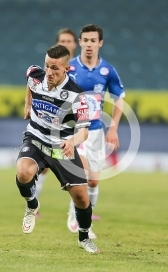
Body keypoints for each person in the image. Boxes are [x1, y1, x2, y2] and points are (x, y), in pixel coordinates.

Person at [15, 44, 100, 254]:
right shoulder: (35, 76)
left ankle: (84, 236)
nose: (49, 72)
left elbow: (84, 131)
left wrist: (73, 141)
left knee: (81, 196)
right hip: (35, 137)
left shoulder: (77, 96)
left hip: (62, 146)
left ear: (66, 69)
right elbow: (29, 80)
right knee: (23, 172)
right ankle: (32, 205)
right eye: (47, 66)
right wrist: (27, 103)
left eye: (55, 68)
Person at [66, 24, 125, 239]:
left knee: (93, 181)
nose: (89, 44)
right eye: (85, 40)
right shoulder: (69, 67)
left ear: (100, 43)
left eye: (93, 41)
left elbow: (120, 98)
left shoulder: (107, 70)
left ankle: (85, 221)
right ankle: (75, 216)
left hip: (97, 131)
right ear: (79, 42)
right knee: (80, 175)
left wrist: (114, 128)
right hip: (75, 130)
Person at [35, 28, 78, 207]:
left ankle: (77, 213)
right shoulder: (53, 68)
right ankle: (33, 204)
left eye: (69, 41)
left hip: (76, 125)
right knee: (43, 167)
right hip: (53, 125)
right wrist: (28, 102)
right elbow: (33, 82)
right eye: (62, 41)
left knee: (80, 173)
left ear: (75, 44)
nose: (65, 44)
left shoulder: (82, 68)